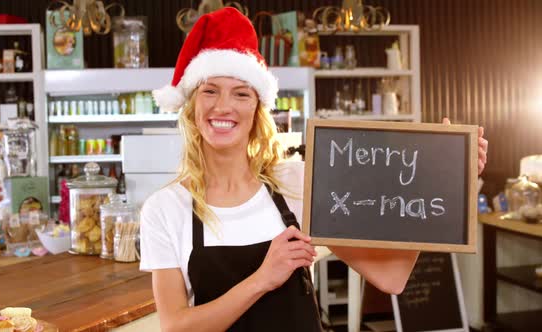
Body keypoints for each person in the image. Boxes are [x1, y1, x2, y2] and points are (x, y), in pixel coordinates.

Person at [141, 7, 488, 332]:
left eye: (241, 94)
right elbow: (176, 327)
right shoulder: (165, 208)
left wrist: (446, 180)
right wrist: (264, 278)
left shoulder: (296, 184)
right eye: (210, 91)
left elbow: (392, 278)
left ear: (256, 109)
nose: (224, 106)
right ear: (191, 106)